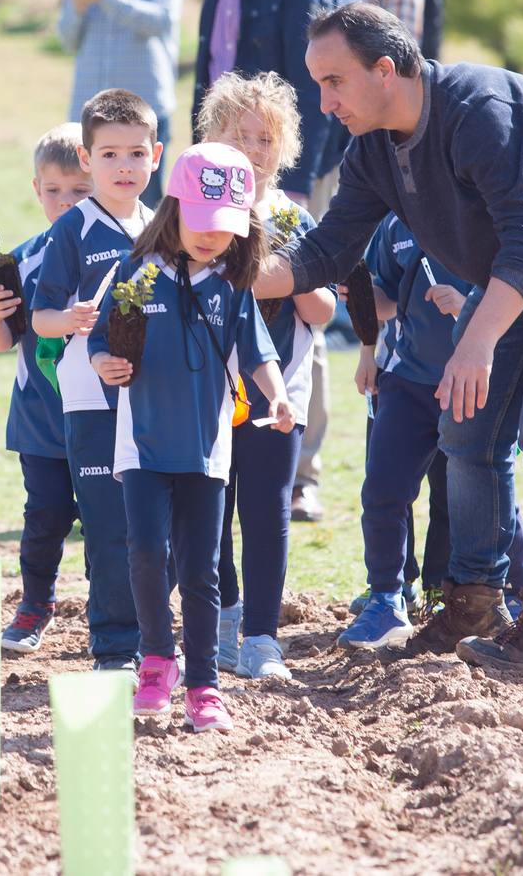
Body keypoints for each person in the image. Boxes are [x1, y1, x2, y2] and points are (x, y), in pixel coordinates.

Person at [256, 2, 523, 685]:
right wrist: (228, 276)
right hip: (513, 270)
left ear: (385, 71)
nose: (323, 104)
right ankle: (471, 603)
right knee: (465, 434)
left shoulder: (477, 110)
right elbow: (325, 251)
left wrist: (473, 342)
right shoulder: (372, 152)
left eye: (333, 82)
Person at [88, 143, 295, 732]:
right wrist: (105, 363)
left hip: (208, 452)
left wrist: (277, 396)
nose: (211, 238)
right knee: (148, 554)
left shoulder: (233, 285)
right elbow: (100, 339)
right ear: (174, 208)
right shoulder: (136, 271)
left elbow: (258, 353)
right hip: (142, 448)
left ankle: (204, 684)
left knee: (202, 571)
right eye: (201, 223)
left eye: (224, 228)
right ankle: (158, 661)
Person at [196, 72, 337, 679]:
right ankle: (221, 620)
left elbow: (327, 309)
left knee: (267, 509)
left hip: (281, 397)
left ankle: (261, 636)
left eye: (266, 138)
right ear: (213, 136)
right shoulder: (194, 219)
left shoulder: (292, 219)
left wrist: (289, 280)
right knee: (208, 511)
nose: (253, 149)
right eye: (241, 134)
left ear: (285, 151)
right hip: (203, 395)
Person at [339, 214, 523, 650]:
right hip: (407, 382)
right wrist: (361, 296)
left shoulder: (488, 212)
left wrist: (466, 305)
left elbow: (519, 294)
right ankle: (387, 600)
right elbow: (385, 300)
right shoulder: (394, 224)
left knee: (484, 485)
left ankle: (516, 593)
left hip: (475, 378)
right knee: (383, 490)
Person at [32, 89, 163, 678]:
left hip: (157, 403)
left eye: (136, 154)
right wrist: (71, 322)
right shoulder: (74, 230)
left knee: (155, 532)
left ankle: (157, 639)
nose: (124, 167)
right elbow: (40, 317)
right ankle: (115, 647)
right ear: (87, 160)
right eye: (109, 155)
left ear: (156, 156)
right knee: (109, 530)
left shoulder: (166, 227)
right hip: (90, 403)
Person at [0, 124, 93, 653]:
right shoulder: (21, 259)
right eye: (54, 190)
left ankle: (111, 607)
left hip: (103, 417)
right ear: (36, 189)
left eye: (79, 190)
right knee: (45, 515)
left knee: (107, 519)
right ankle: (35, 604)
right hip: (40, 417)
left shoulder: (120, 253)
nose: (66, 201)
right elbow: (1, 341)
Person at [192, 0, 342, 209]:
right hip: (224, 170)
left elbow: (314, 85)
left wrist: (295, 185)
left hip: (285, 174)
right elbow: (209, 72)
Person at [58, 0, 185, 209]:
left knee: (144, 212)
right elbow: (67, 40)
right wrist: (76, 7)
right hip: (87, 114)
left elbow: (162, 21)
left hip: (143, 114)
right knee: (80, 206)